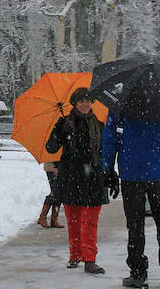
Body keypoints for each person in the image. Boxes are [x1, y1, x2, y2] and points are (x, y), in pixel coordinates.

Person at [102, 112, 160, 288]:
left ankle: (138, 272)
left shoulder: (120, 106)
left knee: (135, 225)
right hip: (158, 172)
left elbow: (109, 140)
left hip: (131, 172)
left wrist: (108, 168)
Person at [45, 87, 112, 275]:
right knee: (74, 220)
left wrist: (109, 173)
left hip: (93, 178)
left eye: (88, 101)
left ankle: (90, 259)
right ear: (75, 103)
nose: (85, 104)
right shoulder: (63, 123)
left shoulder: (99, 125)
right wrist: (60, 131)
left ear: (92, 104)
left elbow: (105, 152)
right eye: (81, 101)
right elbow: (51, 148)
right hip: (71, 176)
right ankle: (75, 255)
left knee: (90, 221)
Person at [37, 161, 64, 228]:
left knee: (59, 193)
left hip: (61, 167)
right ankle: (42, 217)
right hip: (52, 167)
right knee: (55, 192)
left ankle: (54, 220)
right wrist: (56, 165)